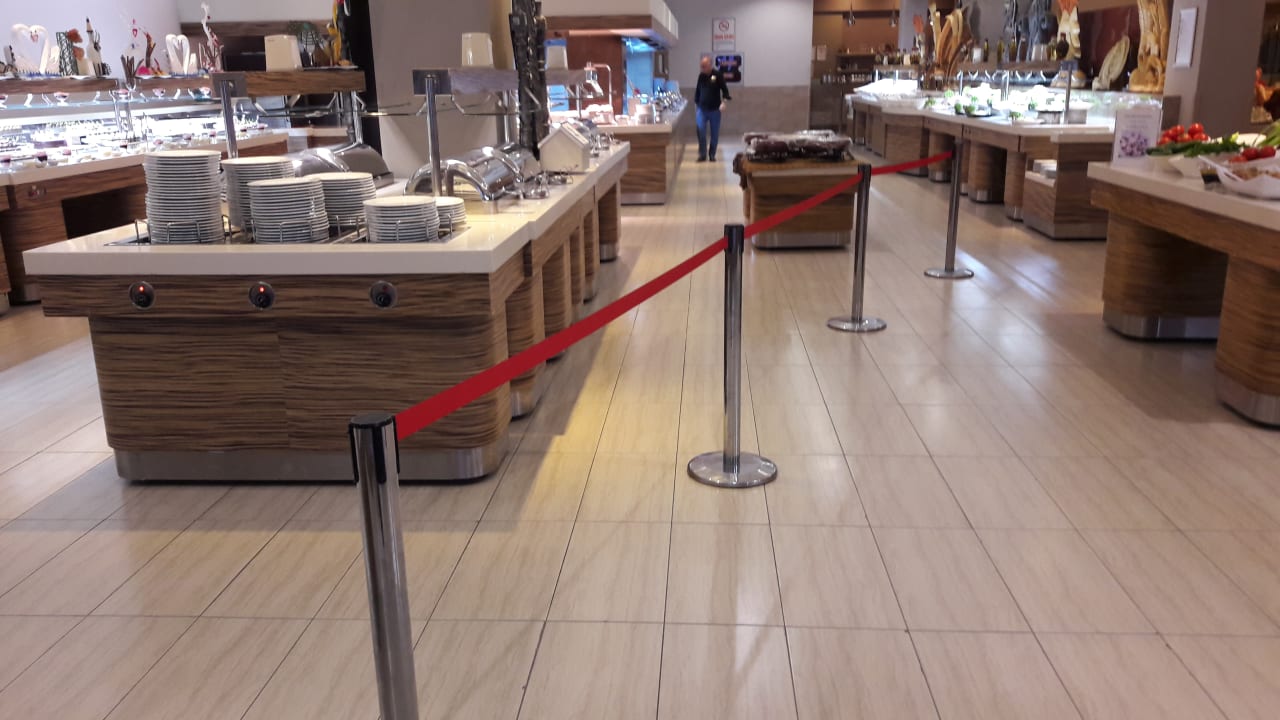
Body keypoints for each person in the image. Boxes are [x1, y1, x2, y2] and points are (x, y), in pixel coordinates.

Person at [694, 56, 731, 162]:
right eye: (701, 66)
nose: (702, 68)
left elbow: (725, 91)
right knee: (700, 132)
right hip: (702, 109)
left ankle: (712, 154)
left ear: (710, 65)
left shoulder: (718, 75)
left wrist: (724, 102)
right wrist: (697, 103)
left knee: (714, 133)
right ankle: (702, 154)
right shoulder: (701, 76)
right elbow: (698, 90)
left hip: (715, 110)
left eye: (704, 66)